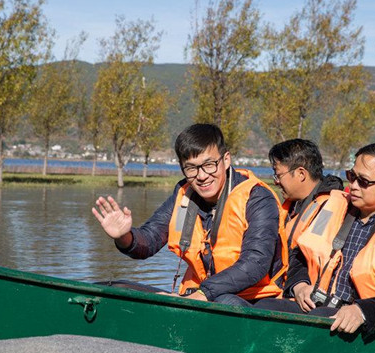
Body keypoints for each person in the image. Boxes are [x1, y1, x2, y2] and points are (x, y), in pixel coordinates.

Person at [92, 123, 287, 306]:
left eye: (209, 165)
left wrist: (203, 294)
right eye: (191, 168)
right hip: (199, 297)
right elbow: (148, 241)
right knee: (111, 289)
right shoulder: (184, 194)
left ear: (226, 160)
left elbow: (255, 263)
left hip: (252, 301)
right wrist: (124, 236)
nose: (201, 176)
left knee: (225, 303)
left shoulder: (258, 198)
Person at [256, 142, 375, 334]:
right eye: (351, 176)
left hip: (370, 324)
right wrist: (299, 286)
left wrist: (363, 311)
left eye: (364, 181)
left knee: (318, 322)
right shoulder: (332, 207)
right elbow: (301, 254)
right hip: (317, 306)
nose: (354, 186)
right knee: (264, 309)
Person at [268, 139, 343, 289]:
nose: (276, 182)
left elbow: (313, 253)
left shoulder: (327, 210)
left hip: (304, 294)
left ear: (301, 174)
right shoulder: (295, 205)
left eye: (278, 175)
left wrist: (298, 287)